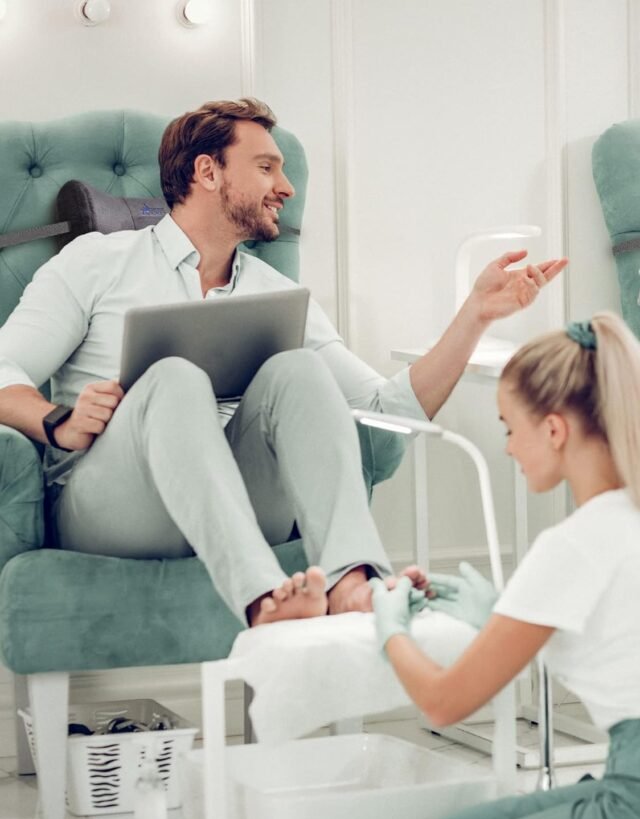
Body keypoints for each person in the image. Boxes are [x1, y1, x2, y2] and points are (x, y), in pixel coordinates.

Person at [0, 97, 566, 628]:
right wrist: (58, 419)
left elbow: (383, 413)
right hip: (112, 508)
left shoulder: (276, 294)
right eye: (268, 168)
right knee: (171, 376)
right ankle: (260, 597)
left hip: (241, 505)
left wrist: (475, 315)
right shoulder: (97, 262)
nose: (286, 187)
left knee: (299, 367)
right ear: (207, 171)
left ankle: (351, 581)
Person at [370, 310, 640, 819]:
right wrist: (498, 616)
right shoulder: (623, 520)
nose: (509, 448)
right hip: (625, 774)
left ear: (555, 429)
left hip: (632, 801)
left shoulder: (571, 546)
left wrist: (390, 627)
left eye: (510, 428)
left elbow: (443, 704)